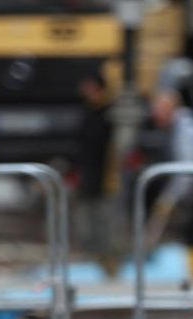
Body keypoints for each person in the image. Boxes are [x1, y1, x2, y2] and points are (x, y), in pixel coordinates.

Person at [145, 89, 193, 276]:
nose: (154, 114)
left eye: (158, 109)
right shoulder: (179, 128)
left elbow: (188, 169)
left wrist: (170, 198)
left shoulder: (185, 130)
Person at [75, 73, 114, 263]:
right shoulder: (87, 110)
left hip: (105, 173)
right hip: (88, 170)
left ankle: (106, 253)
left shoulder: (108, 112)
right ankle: (92, 252)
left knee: (103, 215)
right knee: (87, 212)